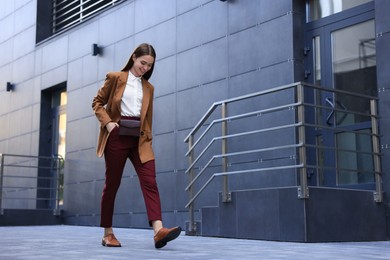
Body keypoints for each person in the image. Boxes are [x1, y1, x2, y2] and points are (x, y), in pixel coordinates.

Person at [92, 43, 181, 249]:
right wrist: (109, 124)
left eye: (149, 66)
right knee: (112, 184)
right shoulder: (115, 77)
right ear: (133, 57)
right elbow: (97, 102)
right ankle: (108, 233)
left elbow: (147, 117)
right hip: (117, 135)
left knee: (150, 180)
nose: (145, 68)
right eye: (143, 63)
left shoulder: (149, 88)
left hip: (140, 139)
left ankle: (158, 231)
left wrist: (148, 138)